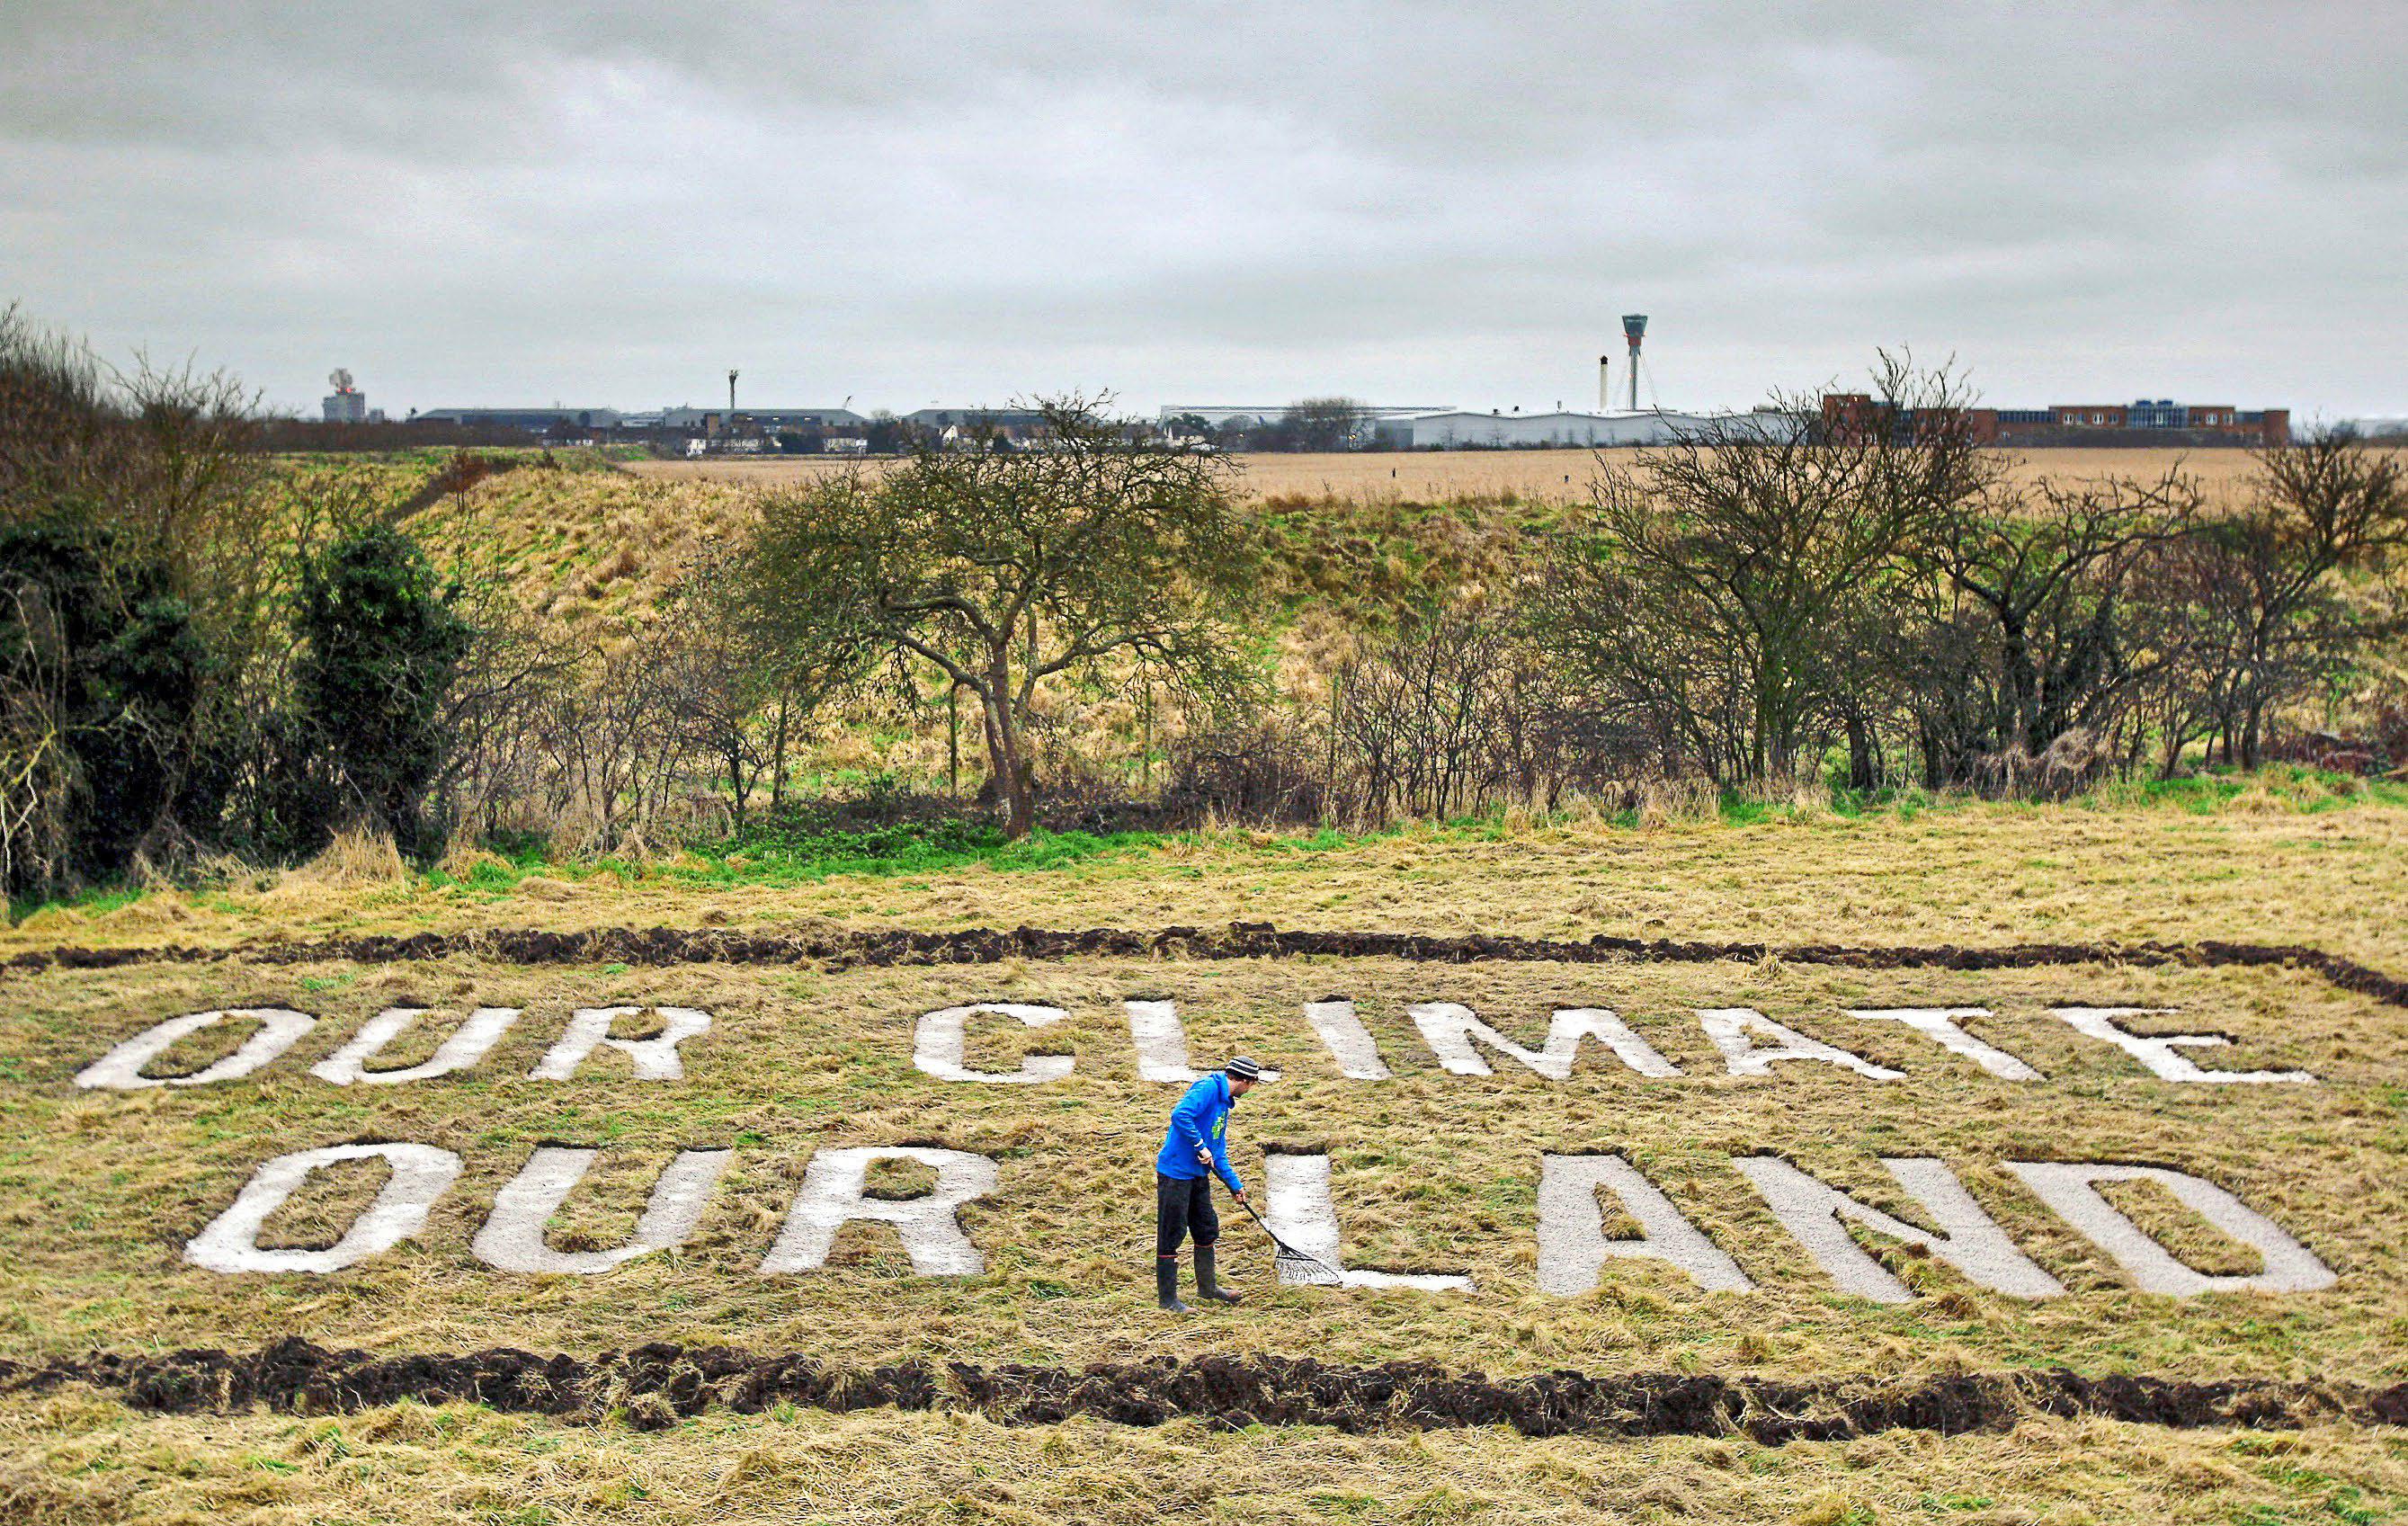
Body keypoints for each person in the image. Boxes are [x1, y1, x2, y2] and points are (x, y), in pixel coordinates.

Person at [1153, 1056, 1263, 1312]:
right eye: (1253, 1084)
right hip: (1175, 1175)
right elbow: (1180, 1115)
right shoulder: (1207, 1089)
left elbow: (1218, 1152)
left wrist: (1234, 1185)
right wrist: (1199, 1146)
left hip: (1197, 1176)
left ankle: (1208, 1288)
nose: (1251, 1089)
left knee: (1206, 1228)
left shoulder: (1223, 1105)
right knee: (1172, 1233)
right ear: (1246, 1081)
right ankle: (1168, 1300)